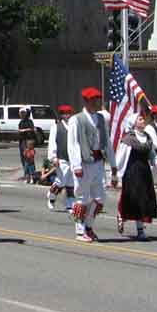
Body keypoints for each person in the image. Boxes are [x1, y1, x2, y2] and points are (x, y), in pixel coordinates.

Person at [68, 87, 116, 243]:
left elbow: (107, 143)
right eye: (94, 100)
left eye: (98, 99)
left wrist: (113, 164)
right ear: (87, 101)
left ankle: (88, 225)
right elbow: (73, 144)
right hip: (84, 162)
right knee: (82, 198)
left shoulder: (101, 119)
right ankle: (80, 229)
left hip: (98, 162)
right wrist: (76, 165)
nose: (97, 102)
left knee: (100, 197)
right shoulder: (76, 119)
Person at [115, 113, 157, 241]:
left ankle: (140, 230)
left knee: (143, 201)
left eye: (143, 119)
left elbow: (151, 153)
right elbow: (120, 158)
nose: (143, 120)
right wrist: (115, 174)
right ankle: (121, 216)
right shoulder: (129, 138)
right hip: (131, 172)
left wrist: (156, 159)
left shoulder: (147, 137)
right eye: (140, 119)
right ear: (134, 122)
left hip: (144, 172)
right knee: (132, 200)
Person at [46, 105, 76, 212]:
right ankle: (51, 197)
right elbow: (52, 143)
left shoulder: (74, 126)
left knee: (71, 182)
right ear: (61, 115)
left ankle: (69, 204)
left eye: (69, 113)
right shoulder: (56, 127)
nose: (67, 115)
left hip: (73, 158)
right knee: (61, 181)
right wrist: (53, 157)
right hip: (61, 157)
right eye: (64, 113)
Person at [17, 107, 35, 182]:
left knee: (29, 159)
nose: (22, 114)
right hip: (22, 141)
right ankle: (26, 175)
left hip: (28, 141)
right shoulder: (21, 121)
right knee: (23, 158)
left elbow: (32, 129)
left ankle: (32, 176)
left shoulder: (29, 121)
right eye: (21, 113)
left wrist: (23, 130)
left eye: (23, 113)